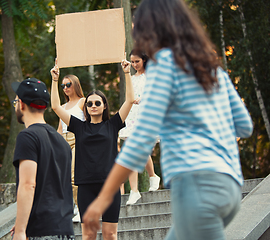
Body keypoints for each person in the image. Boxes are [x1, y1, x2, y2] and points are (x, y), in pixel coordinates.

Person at [82, 0, 254, 239]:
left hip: (196, 188)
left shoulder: (163, 71)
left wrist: (102, 200)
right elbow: (244, 127)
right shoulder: (212, 71)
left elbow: (140, 142)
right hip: (229, 187)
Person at [50, 57, 134, 240]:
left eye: (97, 103)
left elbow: (129, 100)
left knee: (110, 235)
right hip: (86, 186)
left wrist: (127, 73)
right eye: (89, 103)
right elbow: (55, 106)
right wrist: (55, 80)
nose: (93, 106)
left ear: (104, 106)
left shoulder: (113, 125)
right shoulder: (79, 126)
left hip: (109, 186)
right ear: (85, 108)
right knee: (88, 235)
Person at [10, 78, 74, 240]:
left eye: (16, 101)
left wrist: (20, 231)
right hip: (65, 230)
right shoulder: (62, 142)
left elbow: (28, 185)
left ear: (22, 104)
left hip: (41, 231)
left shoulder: (28, 137)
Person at [119, 50, 161, 205]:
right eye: (132, 62)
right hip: (132, 116)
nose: (135, 65)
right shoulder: (130, 77)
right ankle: (136, 189)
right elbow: (128, 96)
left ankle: (148, 180)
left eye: (137, 61)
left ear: (144, 60)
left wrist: (140, 100)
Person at [56, 74, 85, 222]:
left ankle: (81, 209)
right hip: (64, 141)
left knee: (74, 176)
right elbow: (60, 129)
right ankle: (75, 205)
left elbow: (89, 124)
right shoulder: (62, 106)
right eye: (63, 86)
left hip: (78, 140)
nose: (65, 88)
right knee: (65, 177)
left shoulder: (83, 102)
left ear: (75, 84)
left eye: (68, 85)